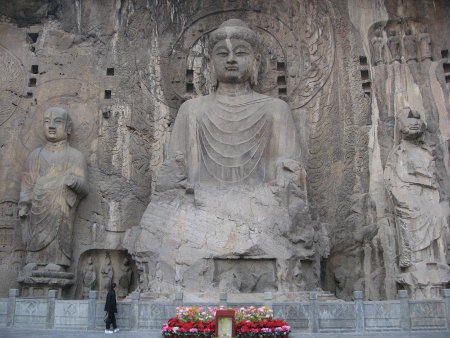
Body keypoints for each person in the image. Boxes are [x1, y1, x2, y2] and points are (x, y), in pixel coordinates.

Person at [18, 107, 88, 272]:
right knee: (34, 231)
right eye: (47, 122)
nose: (51, 126)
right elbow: (27, 184)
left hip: (60, 207)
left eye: (57, 122)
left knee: (60, 221)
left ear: (68, 127)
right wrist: (24, 202)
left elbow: (84, 188)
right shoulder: (35, 155)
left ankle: (58, 260)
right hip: (37, 206)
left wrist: (71, 181)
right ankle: (33, 258)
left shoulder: (75, 156)